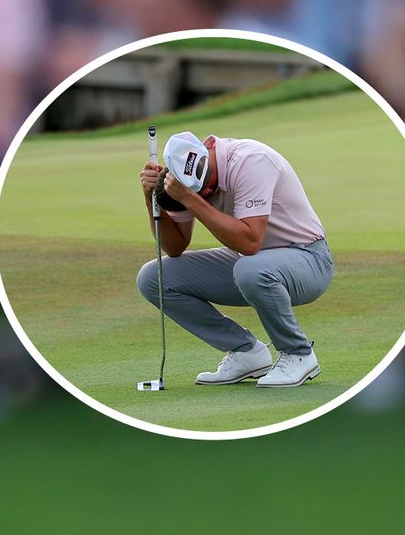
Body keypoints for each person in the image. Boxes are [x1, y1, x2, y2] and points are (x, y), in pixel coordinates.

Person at [136, 131, 333, 388]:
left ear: (206, 148)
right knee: (154, 278)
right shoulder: (183, 175)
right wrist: (151, 198)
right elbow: (174, 247)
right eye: (200, 192)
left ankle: (298, 354)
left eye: (207, 188)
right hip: (252, 264)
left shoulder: (252, 161)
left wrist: (192, 199)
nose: (206, 192)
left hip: (308, 259)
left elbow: (250, 242)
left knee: (250, 269)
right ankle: (246, 352)